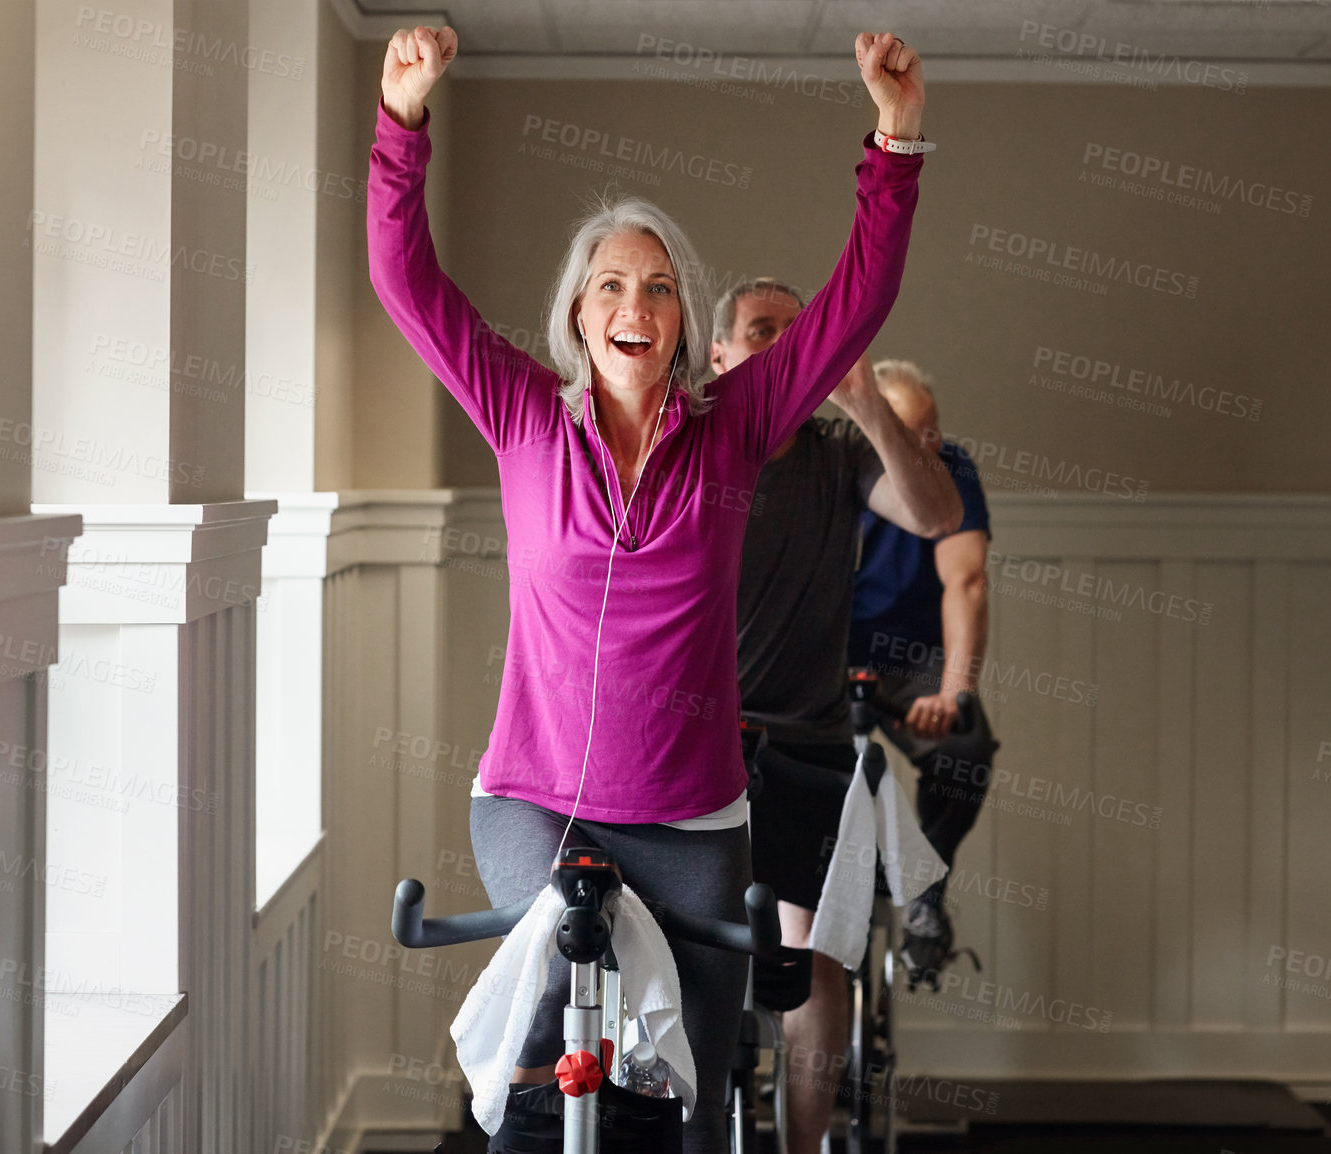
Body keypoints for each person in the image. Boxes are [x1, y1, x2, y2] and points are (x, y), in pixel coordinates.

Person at [369, 24, 928, 1153]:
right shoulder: (523, 412)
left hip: (691, 811)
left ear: (680, 325)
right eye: (613, 283)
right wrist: (401, 121)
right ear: (581, 313)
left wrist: (895, 141)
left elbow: (854, 303)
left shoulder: (738, 431)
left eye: (662, 288)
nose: (637, 301)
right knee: (546, 1052)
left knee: (696, 1082)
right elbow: (404, 281)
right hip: (534, 798)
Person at [717, 284, 961, 1154]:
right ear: (720, 358)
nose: (782, 344)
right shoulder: (698, 444)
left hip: (812, 748)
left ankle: (801, 1147)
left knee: (819, 964)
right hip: (700, 747)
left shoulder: (839, 452)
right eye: (760, 331)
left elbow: (937, 514)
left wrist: (861, 400)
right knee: (688, 958)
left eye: (797, 330)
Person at [849, 359, 999, 992]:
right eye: (914, 436)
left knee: (964, 749)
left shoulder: (951, 468)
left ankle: (922, 889)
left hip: (911, 657)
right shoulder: (834, 467)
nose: (929, 447)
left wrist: (954, 692)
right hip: (828, 655)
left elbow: (965, 580)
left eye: (933, 430)